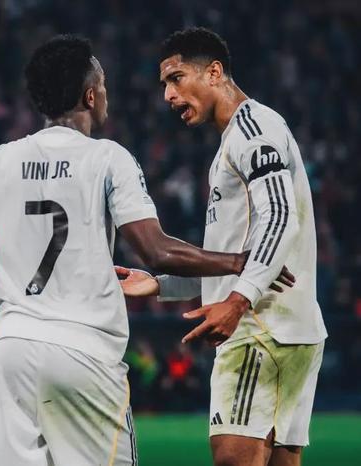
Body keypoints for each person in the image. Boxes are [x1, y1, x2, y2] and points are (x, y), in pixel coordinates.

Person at [0, 35, 287, 466]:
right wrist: (239, 261)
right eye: (103, 85)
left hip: (11, 351)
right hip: (84, 353)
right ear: (90, 95)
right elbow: (156, 251)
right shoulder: (109, 158)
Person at [123, 27, 326, 466]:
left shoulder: (253, 128)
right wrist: (161, 285)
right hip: (281, 326)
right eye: (164, 84)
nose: (168, 95)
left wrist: (237, 303)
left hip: (260, 329)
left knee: (234, 459)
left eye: (176, 78)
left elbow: (279, 216)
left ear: (214, 72)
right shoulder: (235, 141)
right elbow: (236, 255)